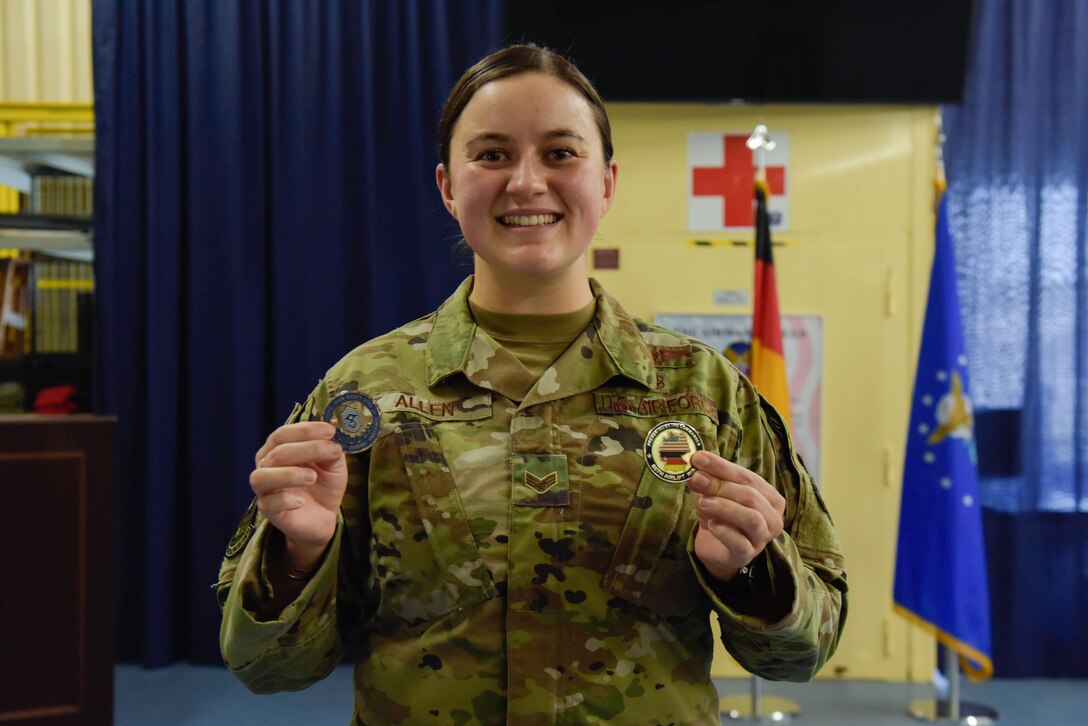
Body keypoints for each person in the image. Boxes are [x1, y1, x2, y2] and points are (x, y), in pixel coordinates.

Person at [217, 43, 847, 725]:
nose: (525, 182)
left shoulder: (704, 391)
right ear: (447, 187)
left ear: (606, 183)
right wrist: (298, 554)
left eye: (560, 153)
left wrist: (747, 572)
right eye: (492, 154)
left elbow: (803, 654)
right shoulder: (365, 394)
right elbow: (267, 669)